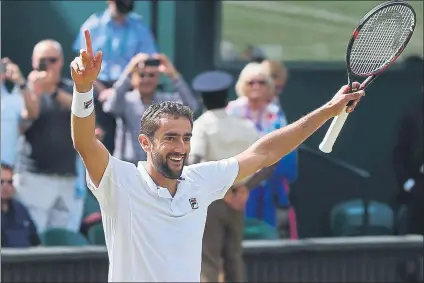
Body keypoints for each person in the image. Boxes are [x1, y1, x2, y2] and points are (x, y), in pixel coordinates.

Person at [70, 30, 363, 282]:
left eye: (186, 138)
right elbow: (84, 142)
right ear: (145, 143)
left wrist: (329, 109)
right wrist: (83, 89)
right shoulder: (120, 181)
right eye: (170, 138)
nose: (180, 148)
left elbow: (265, 152)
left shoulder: (200, 179)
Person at [189, 70, 259, 282]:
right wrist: (246, 188)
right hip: (239, 199)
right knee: (234, 257)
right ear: (227, 99)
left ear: (202, 99)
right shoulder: (245, 125)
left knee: (208, 258)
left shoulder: (201, 124)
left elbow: (194, 161)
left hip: (213, 200)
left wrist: (221, 190)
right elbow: (266, 163)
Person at [73, 0, 158, 154]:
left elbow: (148, 58)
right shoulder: (92, 26)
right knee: (98, 143)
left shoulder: (139, 26)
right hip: (98, 90)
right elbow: (83, 62)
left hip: (129, 90)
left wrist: (122, 88)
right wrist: (102, 91)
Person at [15, 39, 78, 234]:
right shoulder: (24, 90)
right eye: (43, 60)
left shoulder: (71, 88)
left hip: (66, 177)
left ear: (61, 62)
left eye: (53, 60)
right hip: (35, 177)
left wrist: (52, 91)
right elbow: (26, 119)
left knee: (62, 239)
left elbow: (81, 109)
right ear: (34, 62)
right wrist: (33, 89)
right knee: (34, 237)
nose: (49, 65)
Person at [103, 53, 198, 163]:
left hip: (158, 165)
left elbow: (191, 106)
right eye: (142, 75)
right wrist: (128, 70)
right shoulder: (126, 100)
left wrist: (173, 74)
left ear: (158, 79)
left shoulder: (165, 102)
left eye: (152, 75)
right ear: (133, 78)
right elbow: (110, 106)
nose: (147, 80)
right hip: (128, 164)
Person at [1, 163, 40, 248]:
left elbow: (35, 241)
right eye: (1, 182)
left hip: (27, 259)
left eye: (10, 182)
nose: (5, 186)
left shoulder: (21, 209)